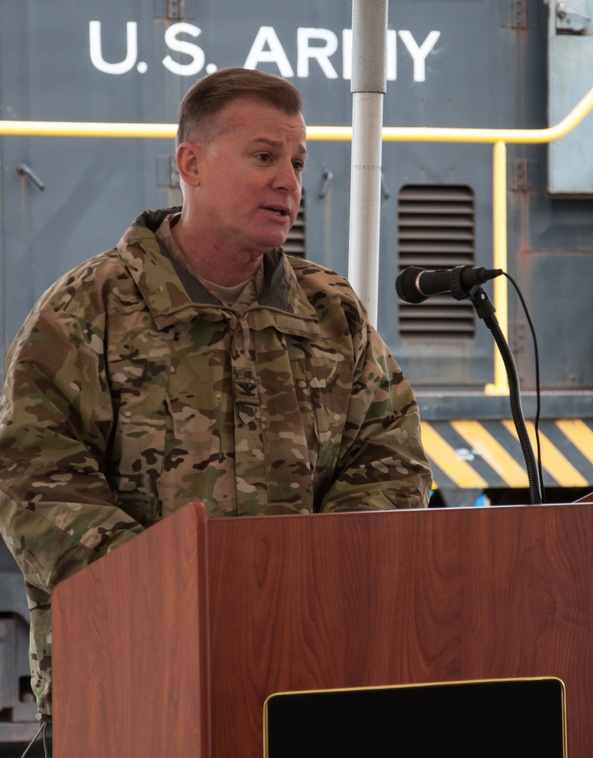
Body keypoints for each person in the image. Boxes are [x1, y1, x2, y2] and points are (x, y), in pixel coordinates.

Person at [0, 68, 432, 720]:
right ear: (191, 164)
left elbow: (391, 456)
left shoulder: (329, 312)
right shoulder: (88, 310)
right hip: (131, 681)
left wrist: (318, 585)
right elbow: (36, 485)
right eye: (264, 157)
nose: (289, 180)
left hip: (302, 677)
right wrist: (178, 593)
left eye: (297, 160)